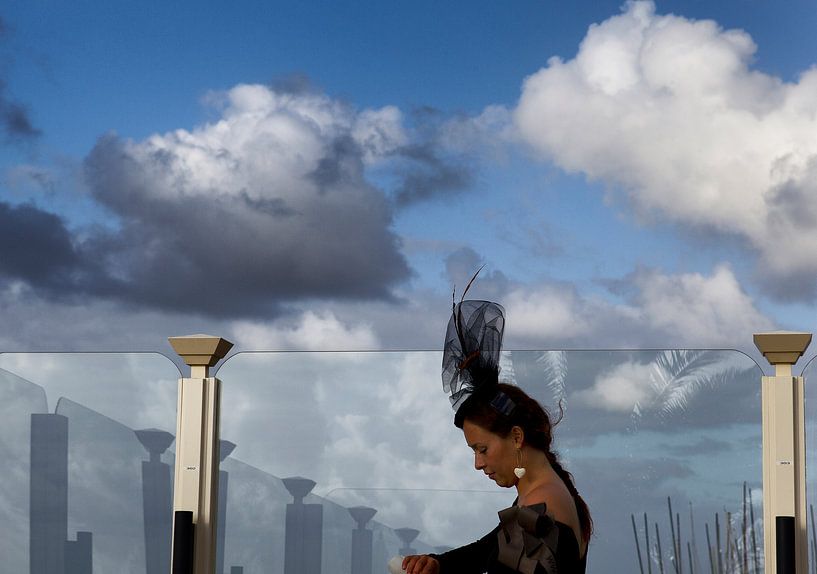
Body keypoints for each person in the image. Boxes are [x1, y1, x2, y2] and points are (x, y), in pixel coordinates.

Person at [402, 298, 591, 574]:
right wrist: (437, 563)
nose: (478, 464)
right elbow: (485, 549)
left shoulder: (543, 508)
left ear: (516, 436)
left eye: (482, 449)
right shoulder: (539, 496)